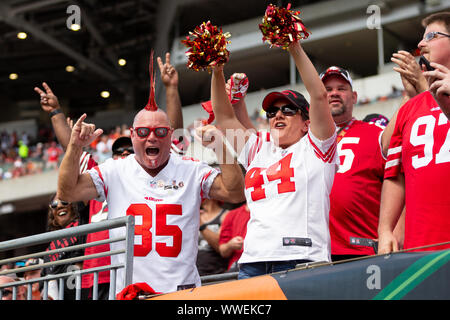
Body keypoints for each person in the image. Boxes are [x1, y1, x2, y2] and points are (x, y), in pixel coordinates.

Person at [56, 54, 245, 294]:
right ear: (133, 135)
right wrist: (74, 146)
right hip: (130, 293)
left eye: (160, 131)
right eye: (144, 131)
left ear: (171, 135)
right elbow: (67, 192)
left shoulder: (190, 168)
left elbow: (236, 192)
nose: (152, 137)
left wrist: (220, 147)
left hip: (181, 292)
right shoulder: (115, 170)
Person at [210, 39, 338, 279]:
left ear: (306, 123)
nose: (278, 115)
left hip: (302, 259)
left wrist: (293, 46)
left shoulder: (317, 147)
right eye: (272, 112)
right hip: (252, 263)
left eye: (288, 110)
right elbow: (224, 117)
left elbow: (319, 95)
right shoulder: (258, 149)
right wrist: (217, 71)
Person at [378, 12, 450, 254]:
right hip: (420, 247)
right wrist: (385, 229)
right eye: (422, 38)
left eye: (431, 36)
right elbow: (394, 171)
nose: (420, 44)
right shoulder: (412, 107)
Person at [317, 66, 389, 261]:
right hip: (313, 252)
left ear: (354, 97)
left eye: (341, 88)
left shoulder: (376, 134)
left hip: (361, 249)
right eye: (327, 90)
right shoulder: (303, 139)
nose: (334, 94)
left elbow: (400, 183)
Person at [41, 193, 88, 300]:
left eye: (65, 201)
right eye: (54, 204)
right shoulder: (50, 249)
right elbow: (43, 280)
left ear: (74, 205)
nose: (59, 206)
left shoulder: (84, 229)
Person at [196, 198, 229, 276]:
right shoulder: (196, 215)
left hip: (216, 273)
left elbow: (220, 246)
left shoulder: (226, 215)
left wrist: (200, 224)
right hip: (194, 274)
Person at [218, 203, 250, 272]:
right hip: (238, 266)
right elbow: (223, 251)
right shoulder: (232, 214)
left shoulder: (270, 212)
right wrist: (230, 245)